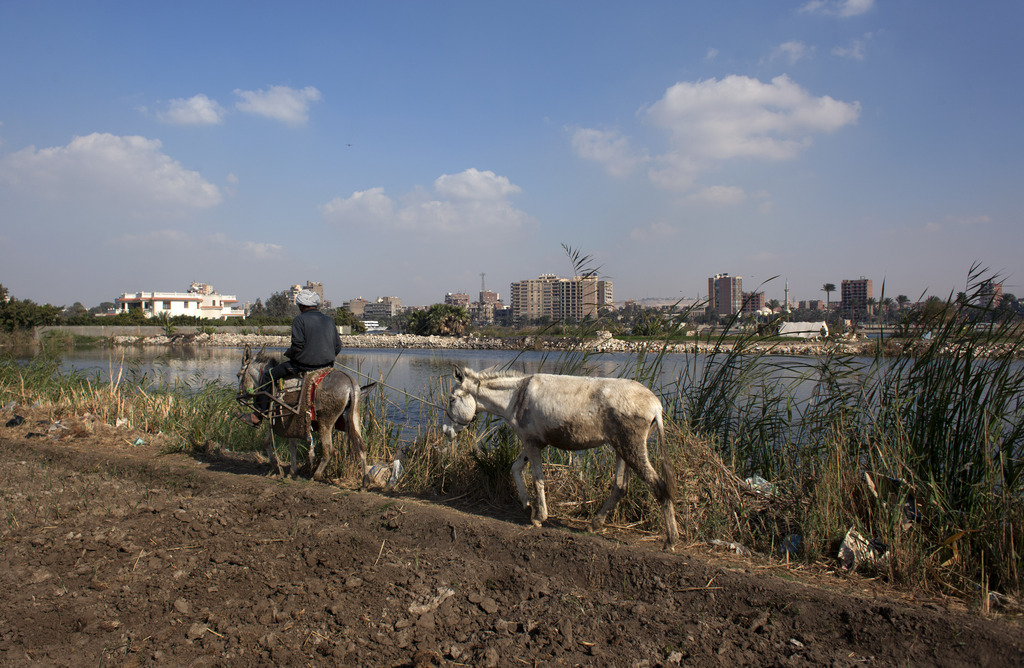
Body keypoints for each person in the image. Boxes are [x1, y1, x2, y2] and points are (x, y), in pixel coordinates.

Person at [239, 289, 342, 426]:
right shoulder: (329, 320)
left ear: (302, 306)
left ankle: (258, 414)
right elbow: (337, 346)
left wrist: (290, 353)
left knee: (268, 375)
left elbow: (298, 345)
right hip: (327, 366)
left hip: (303, 366)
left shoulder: (300, 320)